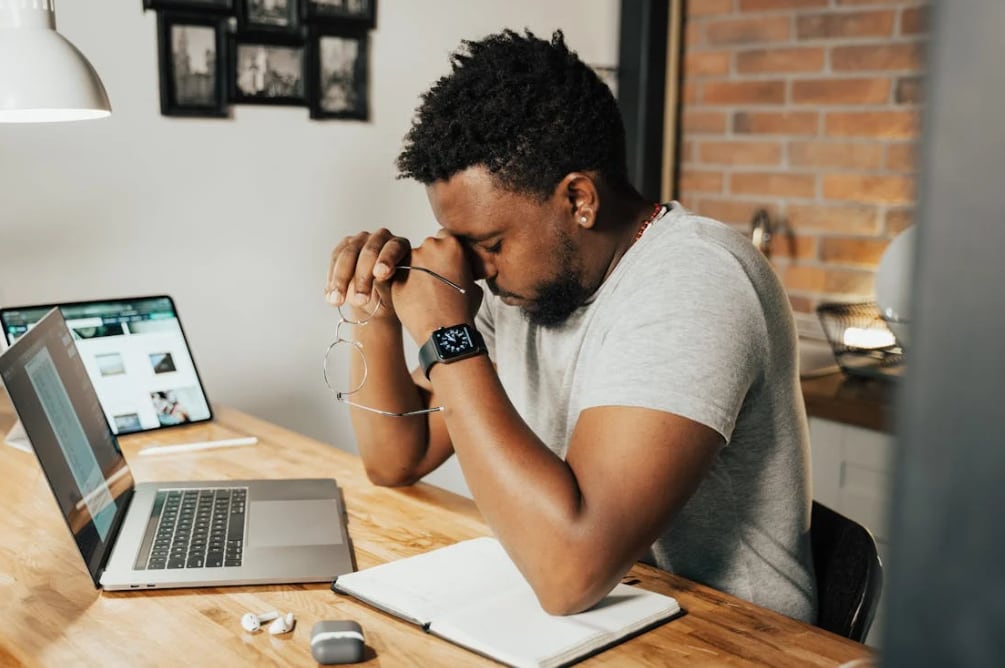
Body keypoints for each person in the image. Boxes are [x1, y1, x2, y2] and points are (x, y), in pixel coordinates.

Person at [324, 29, 817, 622]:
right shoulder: (532, 288)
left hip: (739, 640)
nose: (476, 272)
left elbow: (569, 574)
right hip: (606, 620)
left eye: (489, 244)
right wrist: (373, 304)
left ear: (579, 199)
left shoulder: (694, 279)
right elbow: (395, 458)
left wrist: (444, 335)